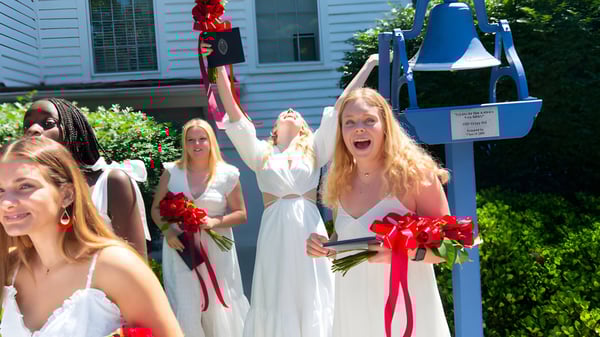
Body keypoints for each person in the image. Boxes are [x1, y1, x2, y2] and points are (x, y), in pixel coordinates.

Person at [208, 39, 381, 337]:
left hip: (309, 226)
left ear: (303, 127)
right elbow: (233, 112)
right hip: (275, 229)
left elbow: (341, 106)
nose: (289, 111)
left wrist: (369, 65)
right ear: (274, 129)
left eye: (295, 113)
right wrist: (217, 65)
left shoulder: (314, 149)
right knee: (277, 290)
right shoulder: (260, 152)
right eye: (283, 113)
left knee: (314, 287)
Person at [0, 136, 184, 337]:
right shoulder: (10, 268)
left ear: (67, 195)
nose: (6, 202)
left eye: (25, 186)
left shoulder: (115, 266)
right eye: (0, 190)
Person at [306, 88, 452, 337]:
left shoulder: (417, 176)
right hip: (351, 308)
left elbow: (450, 247)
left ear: (385, 126)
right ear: (341, 133)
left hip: (406, 312)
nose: (359, 128)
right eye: (349, 123)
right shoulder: (338, 181)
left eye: (368, 120)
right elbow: (349, 241)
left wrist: (404, 252)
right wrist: (326, 246)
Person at [151, 118, 249, 337]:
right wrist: (168, 230)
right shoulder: (172, 172)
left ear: (211, 141)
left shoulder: (228, 174)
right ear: (184, 144)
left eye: (202, 139)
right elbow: (156, 209)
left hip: (216, 247)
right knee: (186, 301)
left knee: (218, 301)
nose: (196, 144)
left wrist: (215, 222)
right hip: (182, 246)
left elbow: (241, 214)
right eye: (191, 139)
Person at [23, 98, 150, 259]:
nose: (33, 129)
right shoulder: (22, 189)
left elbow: (137, 261)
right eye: (27, 125)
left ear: (72, 130)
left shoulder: (110, 181)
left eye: (48, 123)